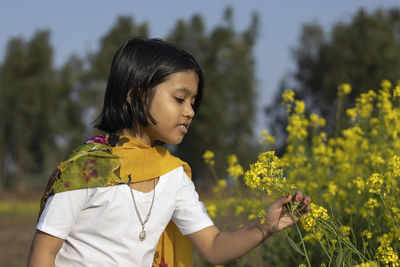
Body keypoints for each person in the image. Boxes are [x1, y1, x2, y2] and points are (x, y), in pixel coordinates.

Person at [27, 36, 310, 267]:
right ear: (135, 95)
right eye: (179, 99)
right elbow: (43, 254)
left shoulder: (173, 175)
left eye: (193, 103)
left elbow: (213, 246)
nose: (189, 112)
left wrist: (265, 225)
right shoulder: (87, 167)